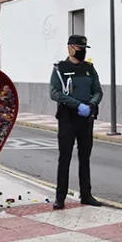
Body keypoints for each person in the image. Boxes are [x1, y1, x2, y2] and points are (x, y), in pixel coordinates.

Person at [50, 35, 103, 209]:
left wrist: (91, 104)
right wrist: (77, 104)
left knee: (85, 158)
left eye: (84, 49)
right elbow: (55, 93)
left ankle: (86, 195)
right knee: (64, 158)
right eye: (80, 49)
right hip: (67, 118)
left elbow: (98, 90)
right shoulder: (60, 69)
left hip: (86, 119)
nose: (82, 53)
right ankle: (60, 197)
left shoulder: (89, 69)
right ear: (70, 48)